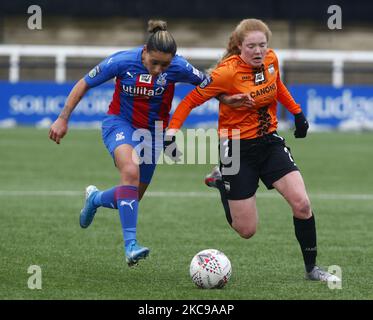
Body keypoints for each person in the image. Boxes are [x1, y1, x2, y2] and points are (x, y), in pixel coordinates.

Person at [49, 20, 239, 267]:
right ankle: (131, 246)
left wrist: (228, 99)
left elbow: (207, 84)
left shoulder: (179, 67)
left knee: (131, 198)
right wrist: (63, 119)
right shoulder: (122, 61)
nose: (160, 69)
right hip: (120, 124)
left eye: (165, 65)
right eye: (154, 62)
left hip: (153, 135)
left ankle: (95, 199)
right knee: (130, 171)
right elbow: (85, 83)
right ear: (145, 52)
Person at [166, 18, 340, 282]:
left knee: (302, 204)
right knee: (246, 230)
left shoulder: (271, 60)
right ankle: (221, 180)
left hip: (269, 143)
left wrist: (297, 113)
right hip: (235, 148)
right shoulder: (226, 72)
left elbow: (277, 85)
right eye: (251, 46)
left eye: (262, 45)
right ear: (239, 46)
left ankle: (311, 269)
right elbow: (189, 101)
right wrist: (171, 133)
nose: (258, 51)